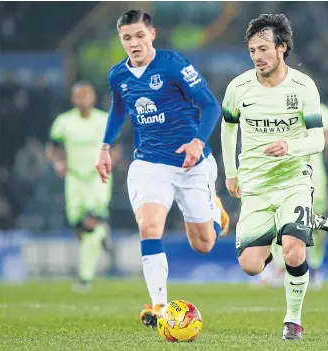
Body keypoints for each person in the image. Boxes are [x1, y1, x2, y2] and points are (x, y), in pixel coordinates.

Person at [95, 10, 229, 329]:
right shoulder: (118, 75)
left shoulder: (173, 64)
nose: (134, 43)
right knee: (149, 226)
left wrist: (198, 142)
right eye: (127, 38)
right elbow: (117, 109)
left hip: (191, 163)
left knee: (204, 244)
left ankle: (216, 213)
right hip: (150, 163)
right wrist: (104, 146)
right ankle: (159, 307)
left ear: (151, 34)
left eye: (139, 36)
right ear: (121, 40)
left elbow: (211, 104)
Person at [221, 14, 328, 340]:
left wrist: (290, 146)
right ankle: (283, 229)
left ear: (282, 48)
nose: (257, 56)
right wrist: (231, 173)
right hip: (255, 185)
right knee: (251, 266)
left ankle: (292, 320)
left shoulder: (303, 86)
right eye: (252, 50)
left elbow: (318, 140)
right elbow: (228, 127)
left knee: (295, 251)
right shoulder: (238, 87)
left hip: (294, 181)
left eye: (264, 49)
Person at [46, 81, 121, 293]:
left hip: (98, 177)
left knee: (90, 226)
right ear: (73, 99)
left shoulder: (104, 120)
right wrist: (58, 163)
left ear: (93, 98)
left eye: (87, 95)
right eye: (79, 95)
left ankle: (85, 277)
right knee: (78, 225)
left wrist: (109, 164)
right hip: (74, 178)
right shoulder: (64, 122)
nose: (83, 99)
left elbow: (115, 148)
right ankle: (102, 234)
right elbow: (52, 148)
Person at [257, 103, 328, 290]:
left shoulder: (314, 109)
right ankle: (288, 267)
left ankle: (305, 268)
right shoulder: (310, 109)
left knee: (304, 222)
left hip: (304, 175)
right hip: (297, 175)